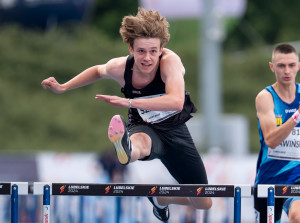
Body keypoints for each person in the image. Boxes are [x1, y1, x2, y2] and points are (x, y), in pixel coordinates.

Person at [41, 7, 212, 222]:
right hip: (145, 127)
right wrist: (64, 87)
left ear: (161, 49)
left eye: (152, 51)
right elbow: (97, 70)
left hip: (176, 131)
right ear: (130, 48)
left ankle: (161, 199)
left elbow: (176, 102)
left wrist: (129, 101)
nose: (147, 58)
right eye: (141, 51)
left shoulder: (171, 63)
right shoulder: (121, 67)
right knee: (141, 143)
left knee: (204, 201)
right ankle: (126, 149)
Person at [254, 43, 300, 223]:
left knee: (297, 216)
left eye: (291, 65)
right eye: (281, 65)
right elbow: (271, 140)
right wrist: (296, 117)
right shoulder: (266, 97)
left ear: (298, 66)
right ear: (272, 67)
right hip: (269, 178)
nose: (286, 71)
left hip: (296, 177)